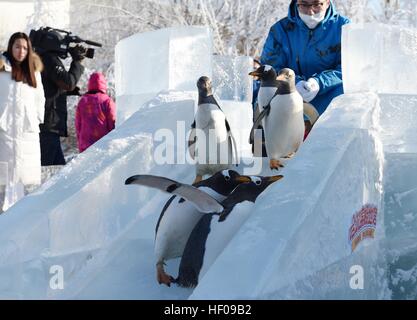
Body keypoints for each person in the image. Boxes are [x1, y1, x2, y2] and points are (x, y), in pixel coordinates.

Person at [260, 0, 350, 135]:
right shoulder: (280, 30)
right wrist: (293, 84)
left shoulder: (344, 28)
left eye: (317, 4)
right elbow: (270, 67)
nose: (310, 11)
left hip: (330, 104)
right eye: (304, 4)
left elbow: (351, 67)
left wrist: (319, 82)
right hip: (288, 101)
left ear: (327, 2)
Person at [0, 32, 45, 212]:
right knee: (2, 177)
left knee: (29, 180)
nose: (21, 51)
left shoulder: (33, 72)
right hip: (4, 132)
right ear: (11, 47)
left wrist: (36, 119)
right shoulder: (1, 69)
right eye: (17, 46)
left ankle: (28, 218)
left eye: (25, 48)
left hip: (28, 134)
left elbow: (39, 98)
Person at [37, 30, 85, 165]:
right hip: (48, 126)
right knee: (48, 170)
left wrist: (67, 92)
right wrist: (77, 62)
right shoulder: (49, 60)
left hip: (49, 125)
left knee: (58, 170)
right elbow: (68, 82)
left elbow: (50, 87)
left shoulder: (43, 59)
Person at [75, 72, 116, 153]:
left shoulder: (82, 101)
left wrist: (80, 142)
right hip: (103, 145)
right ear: (103, 84)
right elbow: (112, 122)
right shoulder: (107, 101)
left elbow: (78, 125)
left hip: (85, 146)